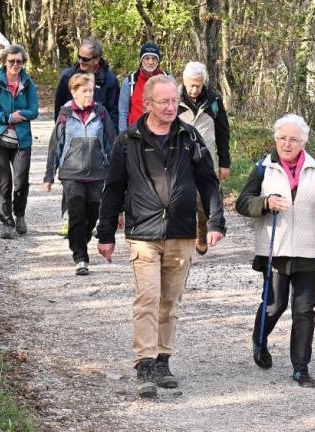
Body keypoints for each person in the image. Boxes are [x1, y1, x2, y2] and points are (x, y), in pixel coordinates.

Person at [97, 75, 226, 399]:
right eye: (164, 102)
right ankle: (145, 363)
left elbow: (208, 181)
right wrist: (105, 233)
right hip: (143, 232)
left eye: (174, 101)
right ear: (148, 103)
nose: (171, 107)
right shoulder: (128, 141)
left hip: (181, 232)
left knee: (170, 301)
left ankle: (163, 360)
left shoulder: (188, 136)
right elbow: (113, 189)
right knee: (148, 298)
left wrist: (215, 222)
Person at [235, 114, 315, 388]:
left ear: (303, 142)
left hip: (308, 249)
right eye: (282, 138)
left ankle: (301, 368)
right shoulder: (264, 168)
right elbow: (243, 203)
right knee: (275, 304)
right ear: (275, 139)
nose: (287, 143)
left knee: (304, 310)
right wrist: (266, 202)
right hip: (275, 249)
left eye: (293, 139)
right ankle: (260, 340)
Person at [44, 73, 116, 275]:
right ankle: (81, 257)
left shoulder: (101, 112)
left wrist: (115, 174)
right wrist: (49, 176)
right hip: (71, 173)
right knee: (76, 212)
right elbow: (55, 146)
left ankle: (79, 242)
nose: (88, 95)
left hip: (96, 172)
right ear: (74, 91)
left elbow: (111, 143)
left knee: (92, 214)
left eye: (91, 91)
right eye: (84, 91)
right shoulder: (65, 113)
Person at [0, 45, 39, 239]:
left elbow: (34, 110)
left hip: (22, 141)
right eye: (11, 61)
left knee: (21, 183)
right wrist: (7, 118)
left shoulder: (28, 83)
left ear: (23, 63)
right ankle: (7, 222)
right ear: (4, 62)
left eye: (19, 61)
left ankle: (20, 214)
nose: (15, 64)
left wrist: (19, 115)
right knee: (5, 182)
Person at [178, 61, 231, 255]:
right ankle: (185, 234)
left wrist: (224, 163)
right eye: (191, 84)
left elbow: (223, 132)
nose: (194, 89)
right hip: (181, 158)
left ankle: (201, 231)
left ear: (204, 82)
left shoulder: (214, 100)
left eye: (198, 85)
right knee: (183, 197)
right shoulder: (174, 99)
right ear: (184, 81)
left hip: (206, 157)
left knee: (204, 200)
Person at [54, 38, 119, 128]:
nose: (80, 61)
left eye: (85, 59)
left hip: (99, 133)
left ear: (96, 60)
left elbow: (114, 113)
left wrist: (112, 138)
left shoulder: (110, 80)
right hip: (72, 131)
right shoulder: (67, 76)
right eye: (79, 57)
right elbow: (59, 108)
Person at [117, 42, 169, 132]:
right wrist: (123, 136)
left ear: (158, 61)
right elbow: (123, 112)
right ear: (141, 60)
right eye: (147, 58)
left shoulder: (168, 79)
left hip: (162, 133)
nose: (150, 62)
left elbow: (175, 107)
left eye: (154, 58)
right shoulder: (130, 82)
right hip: (136, 134)